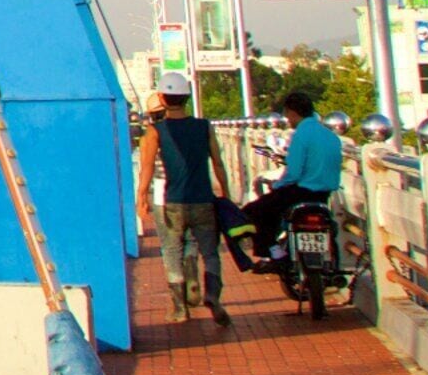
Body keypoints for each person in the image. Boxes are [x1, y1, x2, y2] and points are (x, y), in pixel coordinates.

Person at [143, 74, 236, 326]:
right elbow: (217, 162)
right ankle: (213, 297)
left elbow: (147, 166)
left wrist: (141, 197)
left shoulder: (155, 131)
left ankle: (179, 308)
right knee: (210, 251)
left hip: (173, 202)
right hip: (204, 200)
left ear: (162, 98)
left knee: (172, 251)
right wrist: (226, 193)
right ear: (187, 98)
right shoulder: (204, 126)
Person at [233, 87, 345, 267]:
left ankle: (273, 254)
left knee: (255, 211)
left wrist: (277, 185)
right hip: (324, 193)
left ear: (291, 113)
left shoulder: (301, 134)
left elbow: (294, 172)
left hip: (302, 191)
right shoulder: (330, 136)